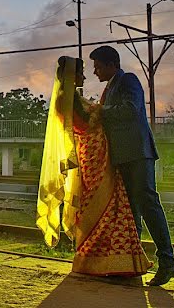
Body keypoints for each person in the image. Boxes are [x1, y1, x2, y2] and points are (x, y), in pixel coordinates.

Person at [37, 56, 150, 279]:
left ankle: (114, 260)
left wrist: (100, 111)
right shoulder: (64, 99)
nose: (86, 76)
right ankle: (99, 259)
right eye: (82, 73)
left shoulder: (74, 98)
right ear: (72, 75)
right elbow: (84, 126)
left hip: (99, 154)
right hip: (93, 157)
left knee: (115, 204)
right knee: (104, 205)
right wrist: (99, 113)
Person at [86, 45, 174, 286]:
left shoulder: (128, 80)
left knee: (148, 204)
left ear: (110, 64)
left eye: (97, 67)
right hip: (123, 157)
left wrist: (99, 111)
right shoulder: (110, 87)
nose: (95, 72)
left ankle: (168, 262)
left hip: (137, 153)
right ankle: (130, 265)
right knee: (130, 211)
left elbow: (129, 110)